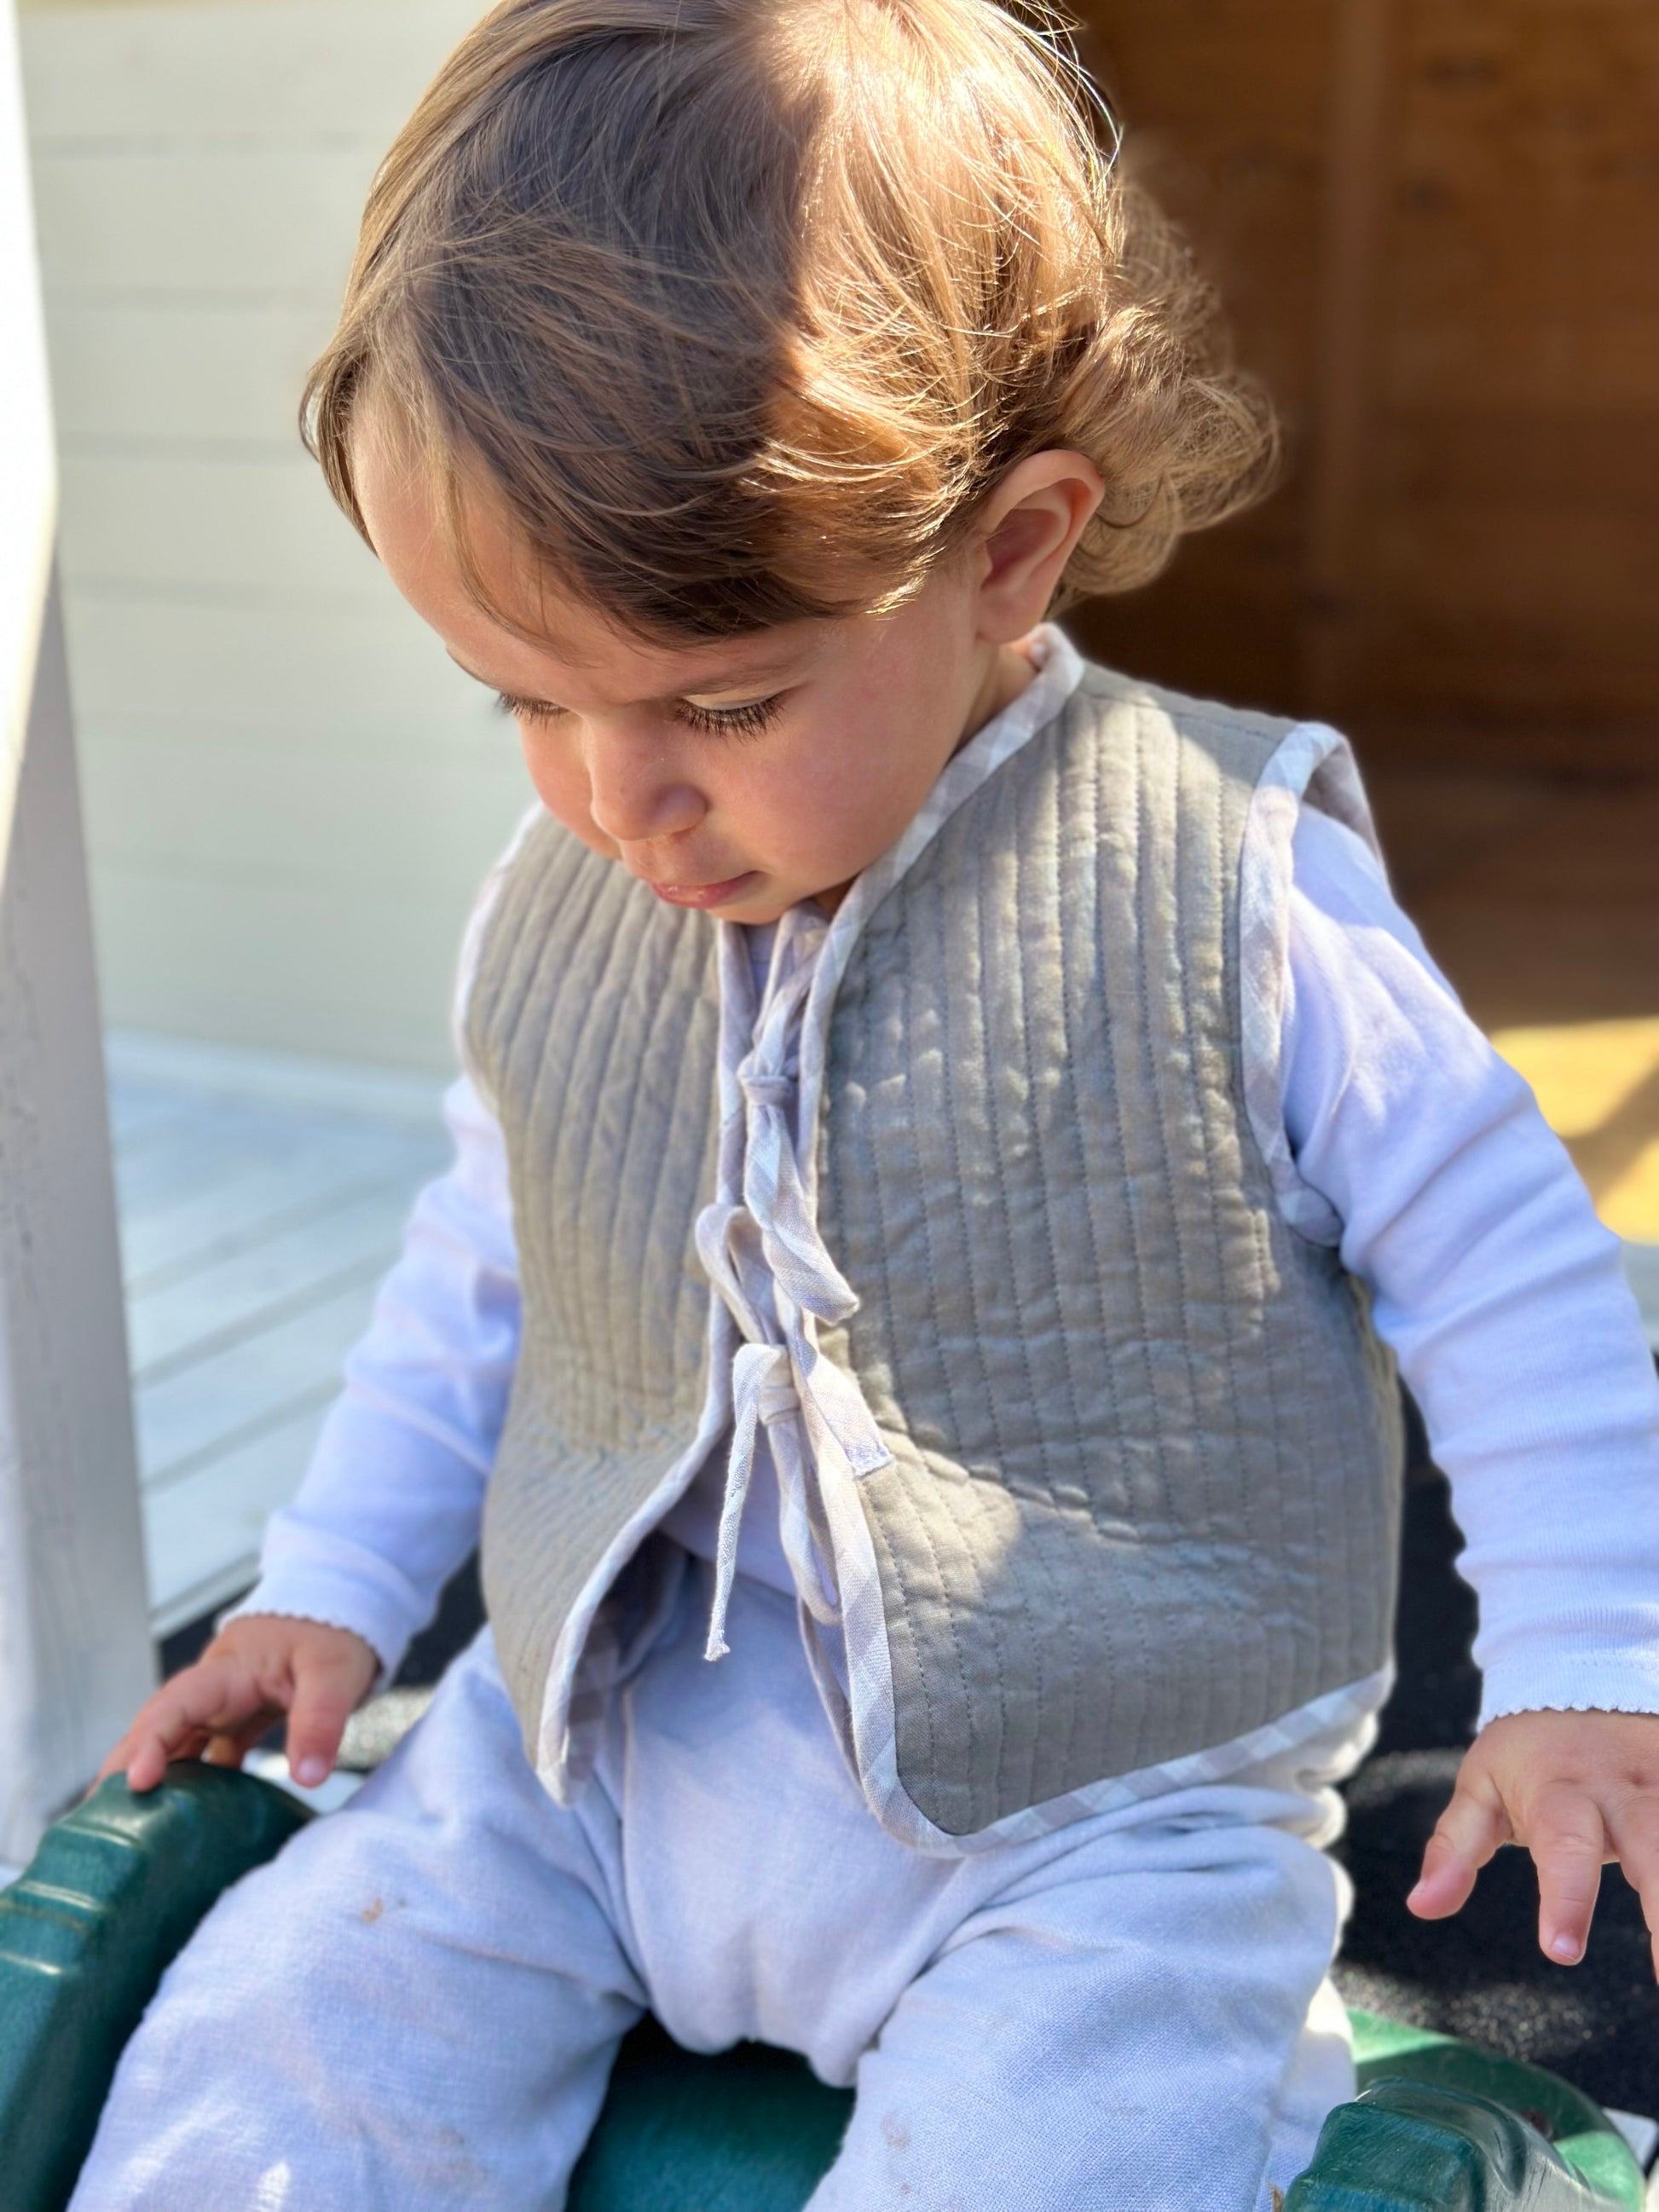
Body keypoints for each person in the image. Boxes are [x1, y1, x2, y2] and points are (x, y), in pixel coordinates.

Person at [73, 2, 1659, 2206]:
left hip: (1087, 1811)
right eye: (523, 696)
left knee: (1066, 2133)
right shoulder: (568, 894)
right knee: (284, 2037)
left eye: (721, 702)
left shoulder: (1229, 883)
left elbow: (1510, 1272)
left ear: (1010, 551)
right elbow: (489, 1270)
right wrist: (331, 1585)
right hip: (604, 1752)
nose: (616, 794)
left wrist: (1584, 1662)